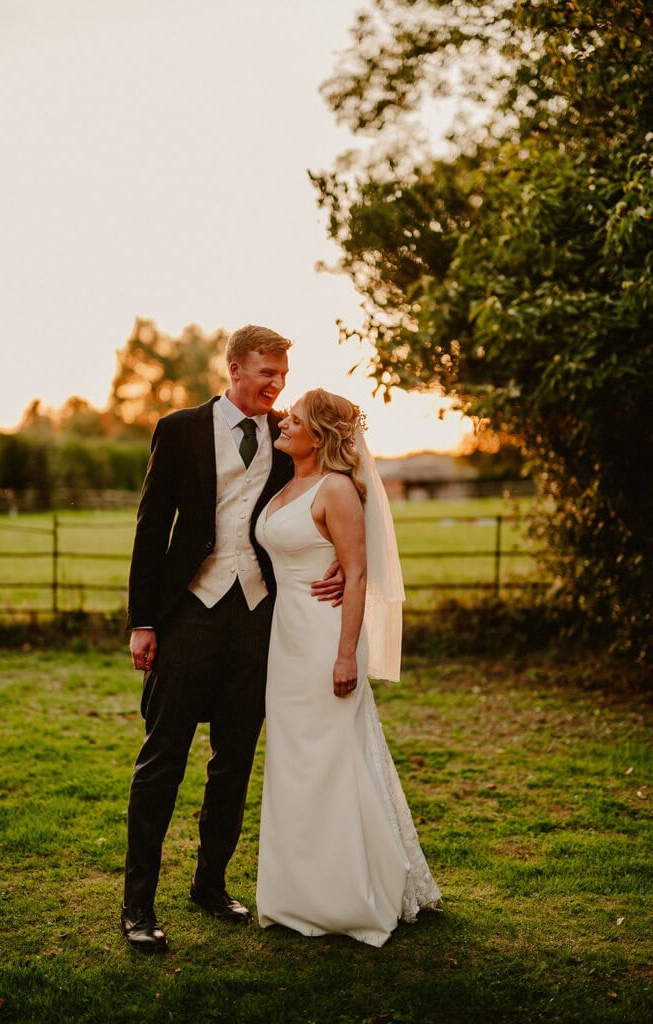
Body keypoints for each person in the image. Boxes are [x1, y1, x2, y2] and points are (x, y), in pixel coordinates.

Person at [121, 326, 344, 953]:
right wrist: (143, 620)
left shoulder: (286, 439)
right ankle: (137, 905)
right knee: (163, 757)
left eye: (283, 376)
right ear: (236, 367)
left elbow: (326, 499)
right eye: (266, 373)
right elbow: (148, 531)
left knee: (235, 759)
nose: (277, 386)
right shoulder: (180, 429)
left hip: (258, 618)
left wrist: (337, 561)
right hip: (188, 613)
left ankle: (210, 885)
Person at [255, 389, 441, 947]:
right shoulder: (285, 484)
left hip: (324, 637)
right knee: (294, 761)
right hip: (284, 639)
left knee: (333, 756)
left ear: (322, 434)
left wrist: (344, 653)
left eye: (296, 419)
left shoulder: (335, 488)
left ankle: (349, 892)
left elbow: (357, 574)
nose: (283, 421)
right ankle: (294, 892)